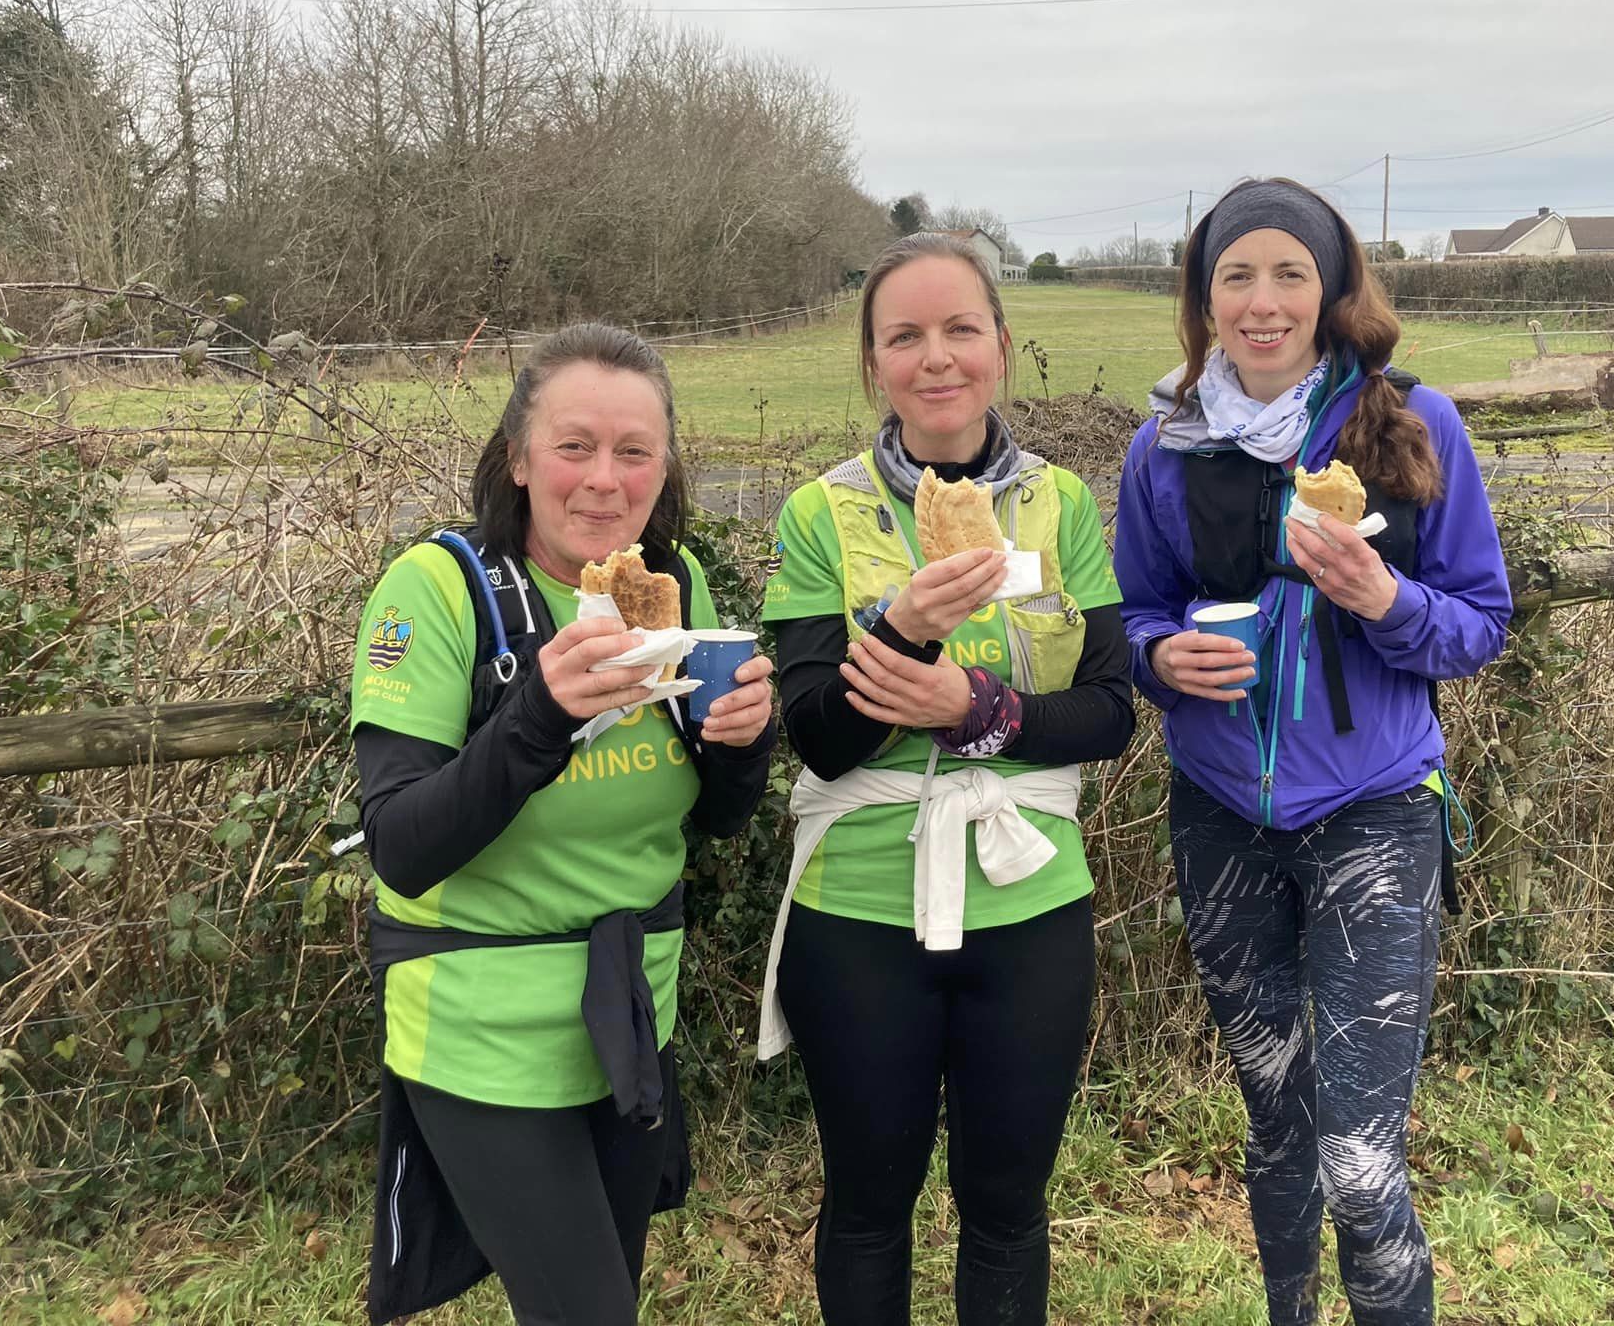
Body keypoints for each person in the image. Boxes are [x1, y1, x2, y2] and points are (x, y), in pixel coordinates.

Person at [1113, 180, 1511, 1326]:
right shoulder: (1164, 443)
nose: (1261, 299)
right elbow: (1135, 613)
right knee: (1275, 1121)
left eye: (1288, 272)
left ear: (1333, 290)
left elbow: (1478, 623)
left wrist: (1386, 600)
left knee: (1357, 1160)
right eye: (1234, 275)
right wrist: (1160, 660)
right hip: (1218, 814)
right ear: (1202, 297)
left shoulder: (1411, 426)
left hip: (1372, 816)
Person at [348, 323, 777, 1326]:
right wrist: (540, 715)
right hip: (479, 1026)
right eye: (573, 446)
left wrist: (743, 741)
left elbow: (714, 821)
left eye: (634, 452)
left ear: (663, 468)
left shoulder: (673, 588)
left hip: (629, 1012)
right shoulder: (440, 590)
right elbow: (402, 845)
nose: (603, 480)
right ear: (517, 456)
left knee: (600, 1296)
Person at [757, 233, 1136, 1325]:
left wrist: (979, 713)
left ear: (1001, 349)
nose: (936, 358)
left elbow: (1108, 713)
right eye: (904, 336)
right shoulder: (819, 512)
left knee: (1007, 1205)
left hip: (1032, 907)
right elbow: (818, 737)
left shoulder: (1060, 504)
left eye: (960, 329)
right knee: (869, 1203)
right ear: (872, 362)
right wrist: (906, 631)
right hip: (860, 912)